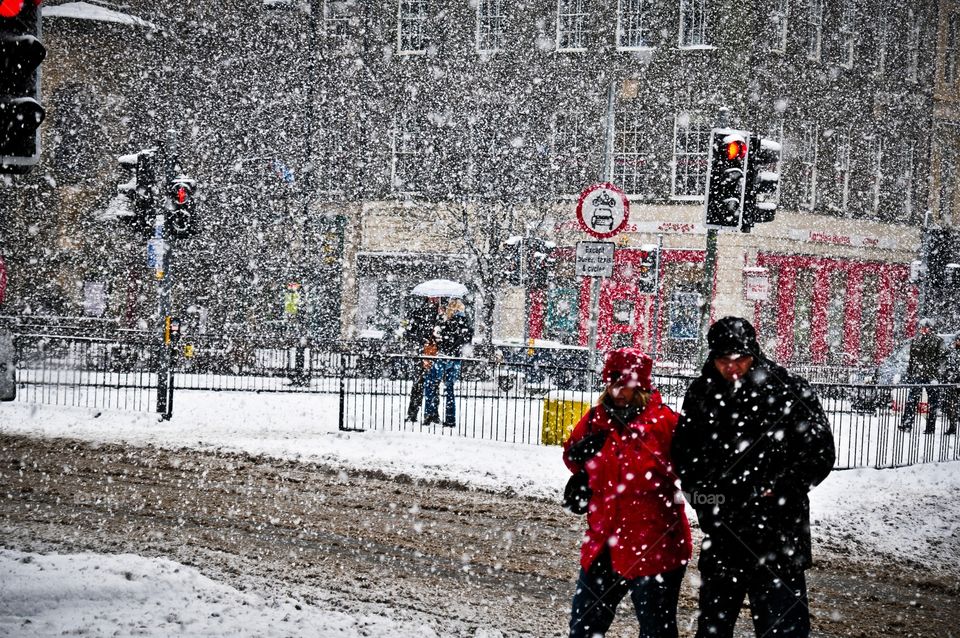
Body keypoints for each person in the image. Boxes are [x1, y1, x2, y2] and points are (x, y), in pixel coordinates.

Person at [671, 316, 835, 638]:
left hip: (779, 538)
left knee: (783, 631)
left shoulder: (788, 389)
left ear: (754, 353)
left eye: (740, 359)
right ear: (711, 357)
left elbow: (820, 452)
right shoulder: (702, 393)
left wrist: (783, 489)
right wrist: (705, 502)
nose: (732, 368)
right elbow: (685, 455)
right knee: (714, 631)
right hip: (723, 536)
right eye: (723, 360)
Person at [563, 348, 691, 638]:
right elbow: (573, 456)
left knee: (656, 630)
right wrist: (581, 469)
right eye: (612, 382)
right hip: (604, 543)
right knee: (583, 627)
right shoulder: (596, 418)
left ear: (641, 385)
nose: (617, 391)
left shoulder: (664, 423)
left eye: (626, 384)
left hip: (654, 546)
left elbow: (693, 470)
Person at [423, 299, 473, 427]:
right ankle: (450, 419)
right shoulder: (465, 322)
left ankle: (429, 413)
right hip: (456, 359)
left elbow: (445, 340)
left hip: (444, 357)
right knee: (449, 389)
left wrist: (440, 328)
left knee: (431, 383)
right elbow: (466, 341)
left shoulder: (449, 321)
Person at [898, 319, 948, 434]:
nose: (923, 330)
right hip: (918, 374)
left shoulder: (937, 341)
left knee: (933, 402)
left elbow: (943, 358)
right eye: (921, 327)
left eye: (925, 327)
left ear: (930, 328)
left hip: (931, 376)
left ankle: (930, 427)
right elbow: (912, 359)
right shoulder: (916, 340)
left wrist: (939, 373)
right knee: (912, 400)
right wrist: (910, 373)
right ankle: (907, 424)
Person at [403, 296, 440, 423]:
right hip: (422, 354)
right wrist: (421, 339)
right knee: (418, 385)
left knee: (434, 385)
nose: (435, 299)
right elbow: (408, 333)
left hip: (434, 354)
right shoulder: (418, 313)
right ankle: (413, 414)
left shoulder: (441, 315)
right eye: (432, 297)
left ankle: (432, 414)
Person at [942, 334, 960, 435]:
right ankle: (952, 426)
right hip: (953, 383)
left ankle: (953, 427)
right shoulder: (952, 353)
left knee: (954, 407)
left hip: (954, 382)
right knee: (951, 407)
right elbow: (948, 367)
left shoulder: (953, 353)